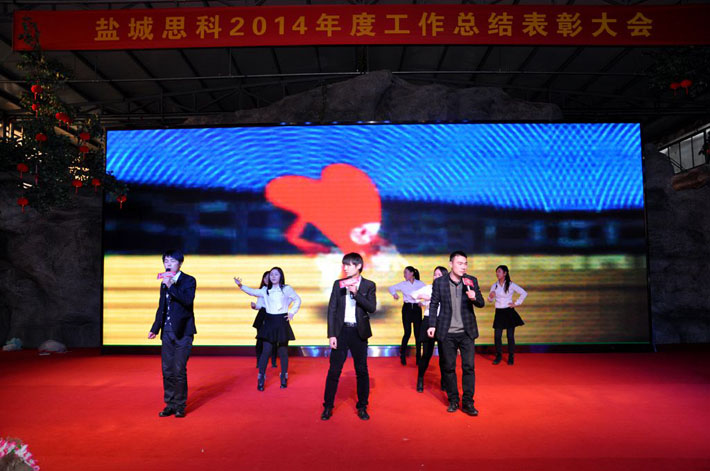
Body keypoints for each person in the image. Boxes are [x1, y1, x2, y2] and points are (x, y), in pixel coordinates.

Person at [427, 250, 484, 417]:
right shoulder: (440, 282)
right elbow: (433, 304)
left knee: (469, 367)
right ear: (451, 264)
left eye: (465, 263)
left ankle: (468, 402)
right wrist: (432, 324)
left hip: (467, 332)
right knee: (448, 367)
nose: (463, 267)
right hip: (447, 332)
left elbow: (481, 303)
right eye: (460, 263)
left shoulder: (471, 280)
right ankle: (453, 400)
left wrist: (474, 298)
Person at [321, 252, 377, 421]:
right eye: (344, 264)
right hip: (341, 332)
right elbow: (332, 310)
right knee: (334, 370)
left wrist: (356, 293)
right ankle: (328, 406)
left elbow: (372, 307)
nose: (345, 268)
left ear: (358, 266)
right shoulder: (338, 284)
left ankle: (362, 406)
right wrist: (332, 334)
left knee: (362, 370)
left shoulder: (368, 285)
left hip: (359, 332)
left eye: (348, 264)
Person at [234, 267, 301, 390]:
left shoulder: (286, 289)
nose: (273, 277)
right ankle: (261, 377)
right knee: (266, 351)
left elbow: (297, 299)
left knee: (283, 351)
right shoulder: (266, 290)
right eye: (271, 275)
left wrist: (292, 312)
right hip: (269, 322)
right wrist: (241, 286)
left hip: (281, 321)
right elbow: (252, 292)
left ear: (281, 276)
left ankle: (284, 376)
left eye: (276, 274)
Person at [149, 249, 197, 419]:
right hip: (167, 332)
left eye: (172, 261)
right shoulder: (164, 281)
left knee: (179, 369)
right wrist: (155, 328)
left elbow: (187, 301)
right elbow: (162, 306)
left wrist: (171, 286)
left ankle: (180, 406)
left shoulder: (188, 280)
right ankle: (169, 404)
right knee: (167, 370)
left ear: (180, 263)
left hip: (183, 331)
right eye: (166, 261)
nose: (168, 264)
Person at [411, 266, 448, 392]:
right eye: (435, 274)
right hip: (428, 321)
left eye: (439, 275)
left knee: (444, 355)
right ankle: (420, 379)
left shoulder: (447, 289)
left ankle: (444, 381)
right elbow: (413, 294)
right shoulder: (428, 288)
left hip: (443, 322)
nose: (436, 277)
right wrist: (421, 296)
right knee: (426, 354)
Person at [488, 265, 527, 365]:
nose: (497, 273)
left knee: (510, 336)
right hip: (499, 312)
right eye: (496, 272)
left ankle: (511, 356)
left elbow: (523, 293)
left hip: (509, 312)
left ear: (505, 273)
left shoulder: (510, 284)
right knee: (497, 336)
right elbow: (490, 300)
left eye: (499, 271)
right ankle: (498, 355)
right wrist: (491, 297)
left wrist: (516, 303)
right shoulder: (494, 285)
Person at [389, 266, 427, 366]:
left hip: (416, 309)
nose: (404, 275)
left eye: (405, 272)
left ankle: (418, 357)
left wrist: (422, 302)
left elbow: (428, 293)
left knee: (417, 334)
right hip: (407, 309)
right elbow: (391, 288)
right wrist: (394, 294)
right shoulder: (403, 284)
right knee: (407, 333)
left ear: (412, 273)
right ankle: (402, 356)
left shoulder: (420, 283)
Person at [251, 271, 278, 369]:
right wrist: (255, 306)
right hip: (262, 315)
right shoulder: (261, 290)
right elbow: (259, 305)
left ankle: (273, 361)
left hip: (273, 315)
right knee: (260, 340)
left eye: (268, 277)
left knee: (274, 340)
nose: (266, 279)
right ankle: (259, 361)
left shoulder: (276, 290)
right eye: (265, 278)